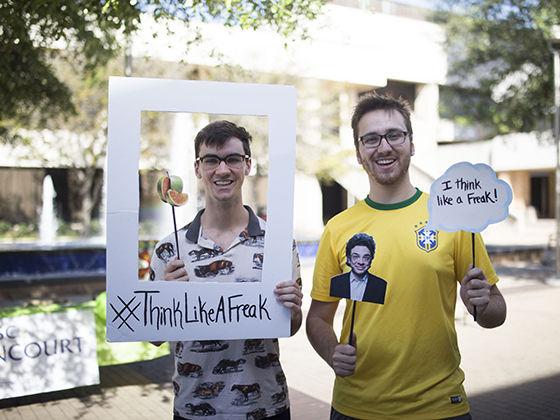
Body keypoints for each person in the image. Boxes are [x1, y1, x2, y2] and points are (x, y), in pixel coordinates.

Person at [306, 93, 507, 419]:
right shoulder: (338, 228)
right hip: (356, 407)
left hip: (440, 406)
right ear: (359, 153)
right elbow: (317, 318)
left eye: (394, 135)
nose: (383, 147)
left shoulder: (452, 218)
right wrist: (332, 353)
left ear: (411, 143)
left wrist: (483, 303)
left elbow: (495, 313)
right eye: (370, 139)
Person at [150, 120, 303, 420]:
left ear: (247, 165)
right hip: (194, 409)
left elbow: (291, 327)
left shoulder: (279, 244)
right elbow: (154, 337)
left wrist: (294, 310)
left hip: (266, 408)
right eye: (211, 160)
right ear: (198, 168)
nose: (222, 170)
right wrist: (165, 299)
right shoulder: (169, 250)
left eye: (232, 159)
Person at [329, 232, 387, 304]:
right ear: (349, 258)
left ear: (371, 259)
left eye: (366, 257)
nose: (361, 262)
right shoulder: (336, 282)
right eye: (356, 256)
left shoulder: (380, 285)